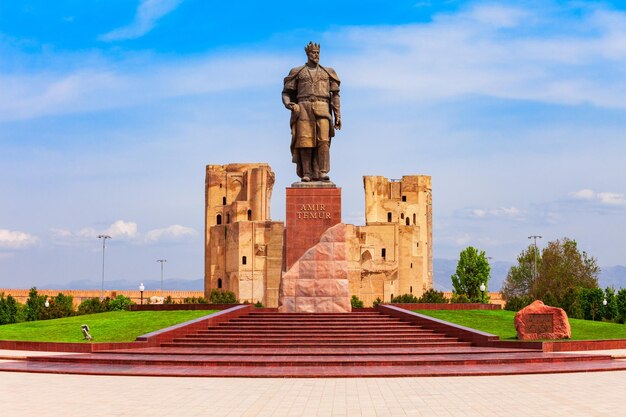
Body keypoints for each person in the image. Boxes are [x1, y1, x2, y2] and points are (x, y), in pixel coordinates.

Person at [282, 42, 341, 182]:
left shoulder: (328, 72)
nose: (316, 55)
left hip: (323, 107)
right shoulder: (298, 72)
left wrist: (338, 115)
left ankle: (322, 172)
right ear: (308, 54)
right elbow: (286, 92)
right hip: (303, 108)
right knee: (304, 142)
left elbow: (336, 95)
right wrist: (288, 104)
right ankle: (306, 173)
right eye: (313, 53)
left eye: (318, 53)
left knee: (324, 141)